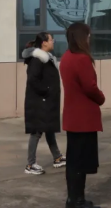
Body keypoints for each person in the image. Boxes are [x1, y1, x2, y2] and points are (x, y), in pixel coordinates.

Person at [60, 23, 105, 208]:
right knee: (81, 162)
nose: (90, 38)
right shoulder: (81, 59)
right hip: (84, 118)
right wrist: (101, 97)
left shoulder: (66, 57)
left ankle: (74, 198)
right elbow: (89, 87)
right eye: (88, 35)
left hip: (73, 117)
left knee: (73, 161)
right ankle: (77, 200)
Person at [21, 32, 65, 175]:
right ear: (44, 43)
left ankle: (57, 157)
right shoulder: (38, 60)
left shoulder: (47, 58)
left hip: (46, 100)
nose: (53, 42)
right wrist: (46, 91)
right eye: (51, 40)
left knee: (49, 128)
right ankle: (30, 164)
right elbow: (33, 80)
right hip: (39, 101)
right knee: (36, 131)